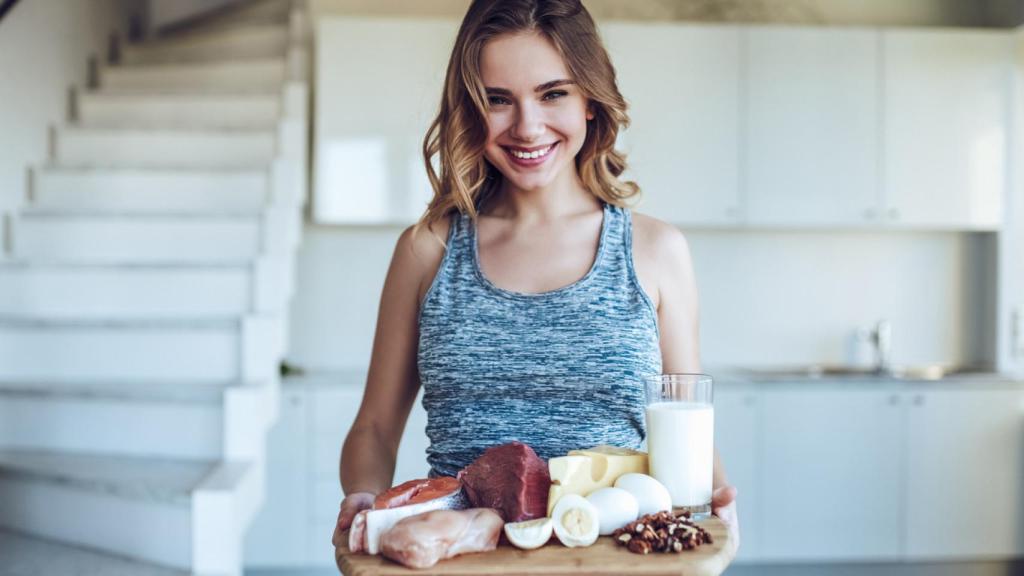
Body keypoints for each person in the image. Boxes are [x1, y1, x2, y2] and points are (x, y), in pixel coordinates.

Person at [331, 0, 739, 552]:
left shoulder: (655, 250)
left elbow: (687, 417)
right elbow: (375, 427)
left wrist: (715, 504)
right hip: (457, 556)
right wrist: (363, 494)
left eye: (553, 94)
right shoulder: (427, 250)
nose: (527, 127)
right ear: (470, 109)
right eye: (498, 100)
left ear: (590, 100)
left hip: (618, 559)